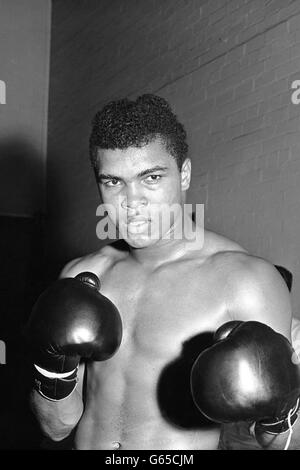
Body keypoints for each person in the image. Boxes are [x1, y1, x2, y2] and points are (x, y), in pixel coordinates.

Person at [27, 94, 300, 450]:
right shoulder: (83, 275)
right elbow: (57, 427)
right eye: (113, 182)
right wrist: (54, 370)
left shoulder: (247, 281)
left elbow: (275, 445)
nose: (132, 201)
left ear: (184, 174)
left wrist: (280, 415)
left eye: (151, 177)